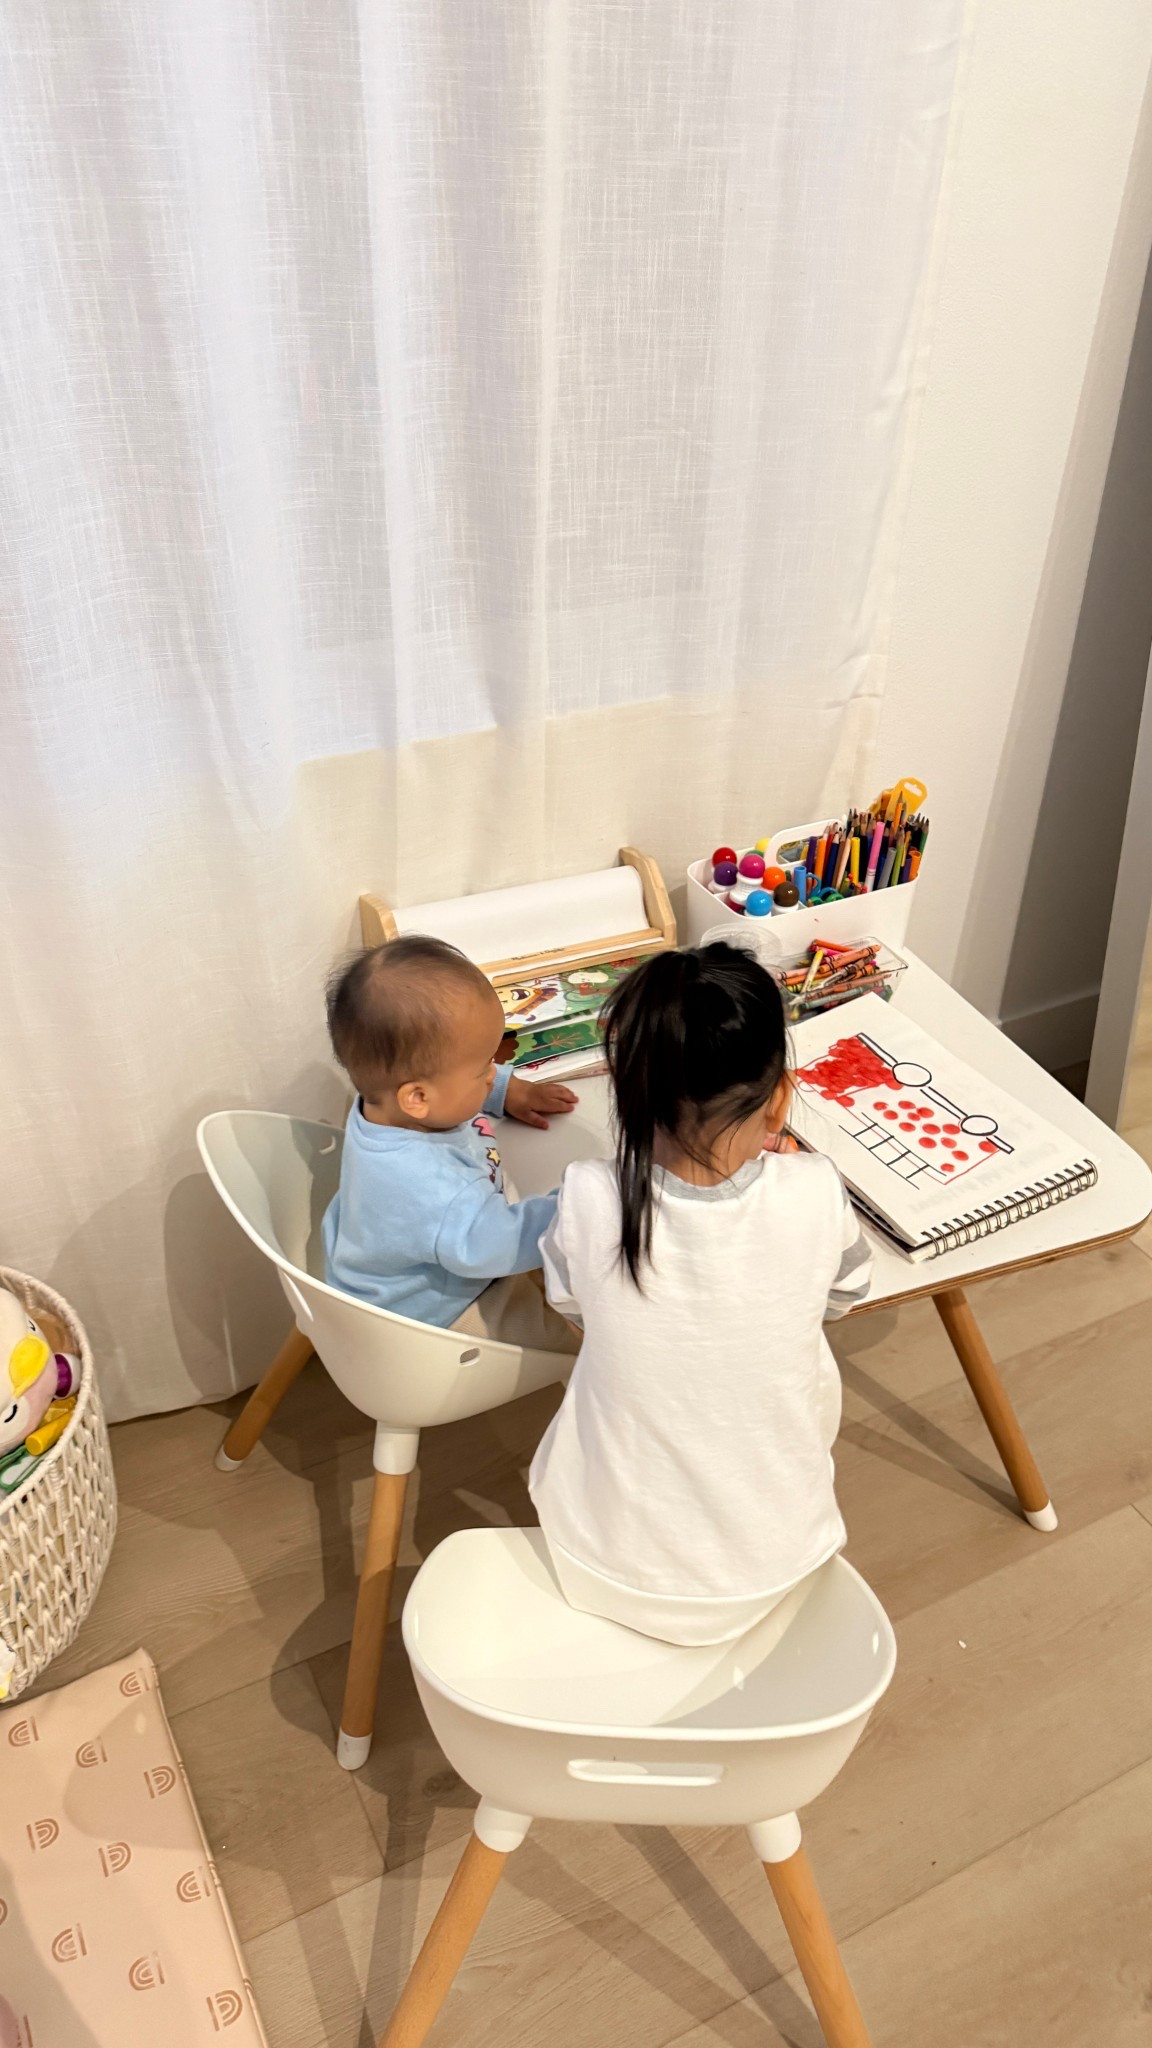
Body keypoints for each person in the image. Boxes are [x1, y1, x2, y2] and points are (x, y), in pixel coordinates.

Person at [529, 941, 872, 1644]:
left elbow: (571, 1307)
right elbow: (845, 1295)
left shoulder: (589, 1194)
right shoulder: (816, 1189)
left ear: (628, 1095)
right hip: (779, 1569)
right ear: (779, 1100)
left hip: (600, 1567)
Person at [323, 935, 581, 1356]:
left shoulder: (384, 1105)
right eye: (485, 1068)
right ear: (418, 1098)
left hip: (390, 1269)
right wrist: (574, 1207)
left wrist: (504, 1090)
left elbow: (450, 1078)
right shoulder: (435, 1188)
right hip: (431, 1317)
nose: (493, 1073)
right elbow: (493, 1247)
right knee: (594, 1334)